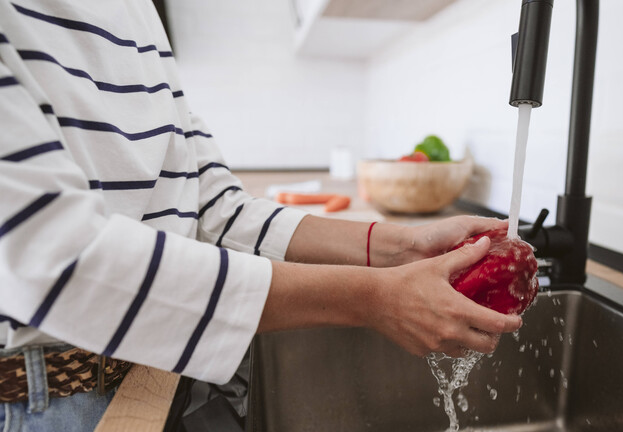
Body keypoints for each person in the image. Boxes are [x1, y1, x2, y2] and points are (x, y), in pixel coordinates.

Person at [0, 1, 522, 430]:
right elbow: (58, 262)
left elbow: (215, 207)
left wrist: (404, 246)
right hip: (47, 404)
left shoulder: (137, 11)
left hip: (152, 370)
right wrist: (375, 298)